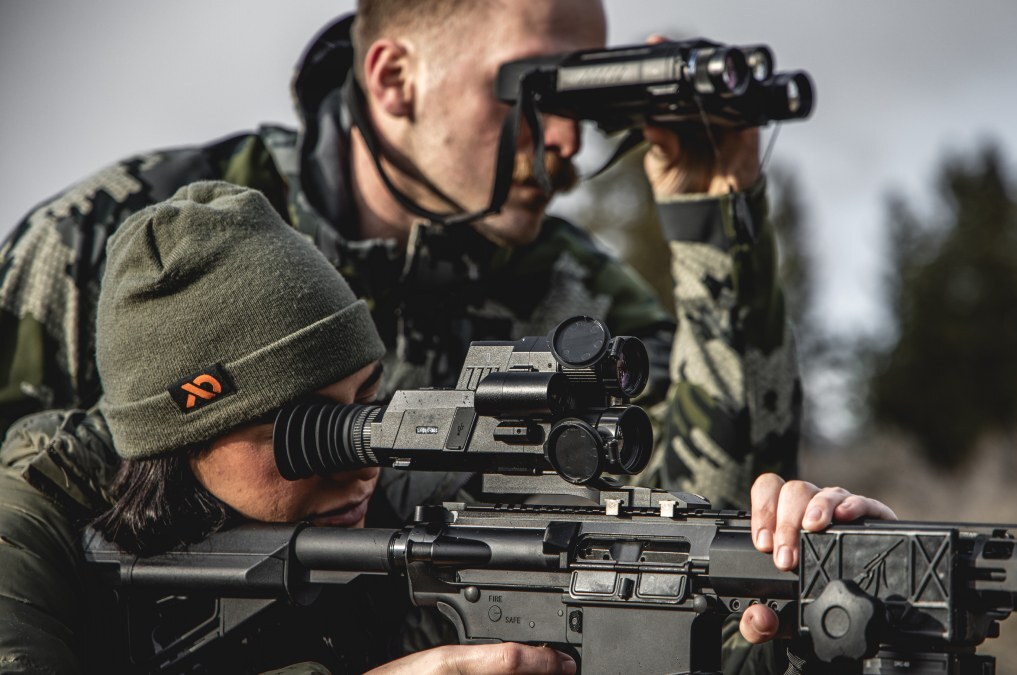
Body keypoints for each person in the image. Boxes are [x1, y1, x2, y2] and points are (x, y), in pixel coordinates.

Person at [0, 183, 897, 674]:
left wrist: (824, 597)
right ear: (182, 429)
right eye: (316, 428)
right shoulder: (31, 516)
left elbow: (665, 622)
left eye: (369, 396)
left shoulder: (418, 508)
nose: (361, 455)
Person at [0, 0, 798, 510]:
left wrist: (712, 217)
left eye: (580, 98)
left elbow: (713, 529)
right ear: (395, 80)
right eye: (533, 93)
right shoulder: (112, 242)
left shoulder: (581, 298)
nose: (565, 138)